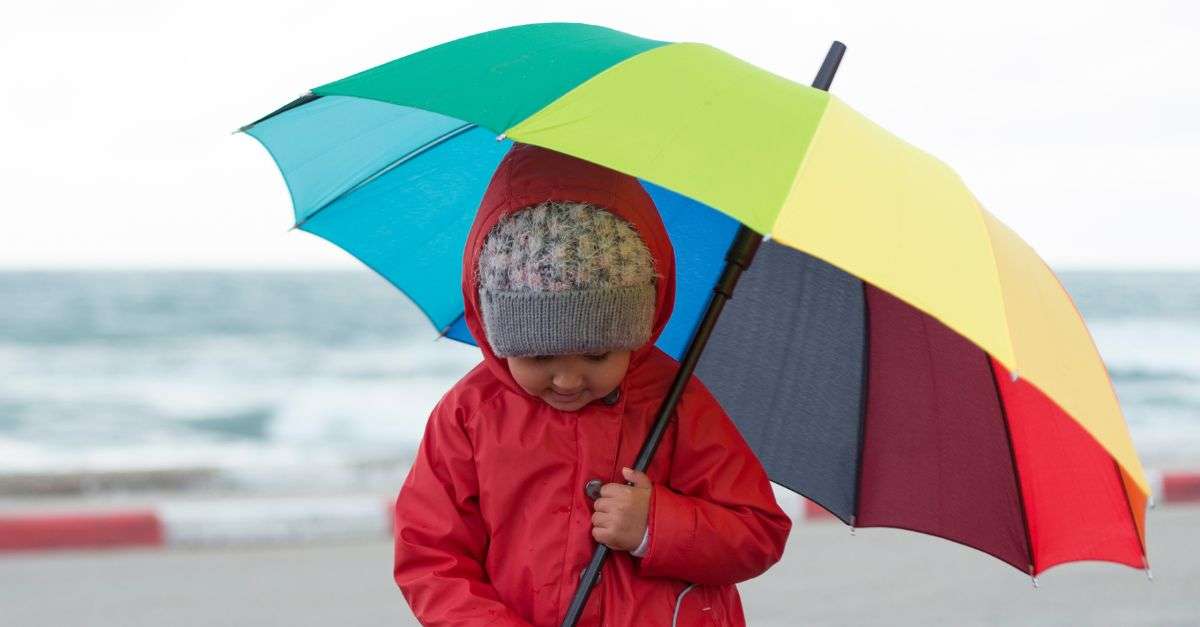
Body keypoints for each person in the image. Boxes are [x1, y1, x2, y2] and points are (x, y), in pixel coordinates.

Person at [393, 142, 791, 626]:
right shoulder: (471, 413)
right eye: (538, 356)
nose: (567, 379)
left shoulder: (675, 400)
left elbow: (758, 532)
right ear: (498, 337)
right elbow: (431, 556)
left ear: (638, 330)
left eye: (598, 353)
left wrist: (654, 526)